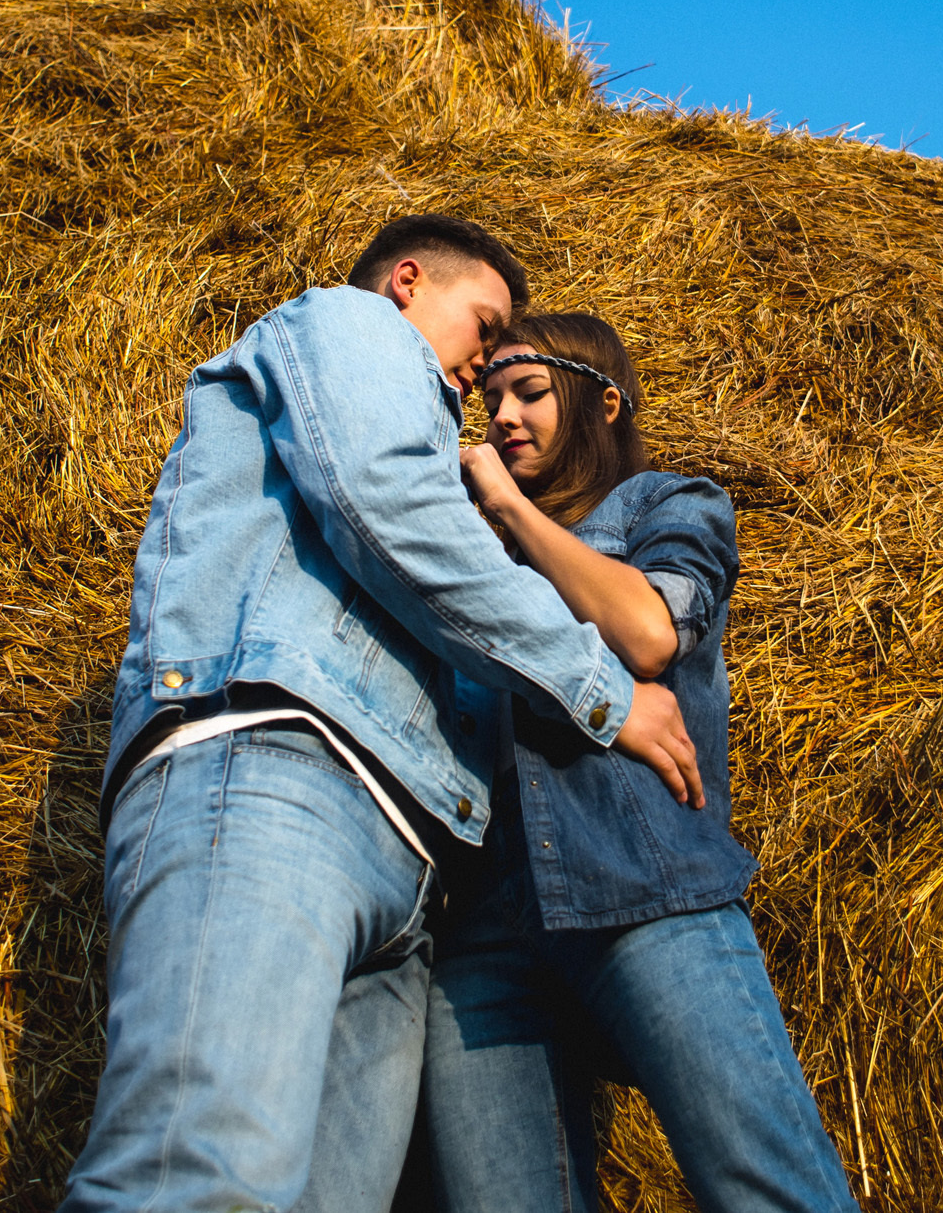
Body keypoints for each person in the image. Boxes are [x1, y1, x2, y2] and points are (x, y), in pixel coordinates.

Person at [61, 220, 704, 1213]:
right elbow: (387, 507)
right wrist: (600, 690)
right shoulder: (352, 324)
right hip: (276, 769)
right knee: (199, 1182)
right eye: (484, 327)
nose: (486, 368)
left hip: (403, 869)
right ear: (408, 282)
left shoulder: (439, 434)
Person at [423, 314, 858, 1213]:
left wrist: (509, 509)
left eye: (529, 393)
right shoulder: (464, 562)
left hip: (639, 885)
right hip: (485, 937)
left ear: (605, 403)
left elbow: (650, 633)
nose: (502, 416)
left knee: (764, 1186)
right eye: (491, 399)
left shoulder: (667, 504)